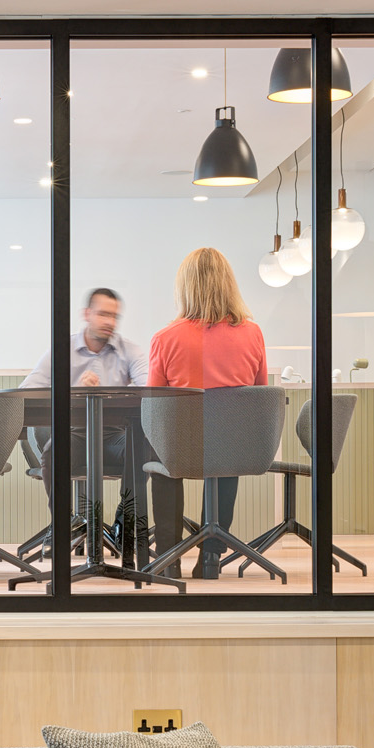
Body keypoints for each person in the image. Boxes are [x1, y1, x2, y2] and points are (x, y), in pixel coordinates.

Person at [144, 248, 267, 579]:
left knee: (163, 455)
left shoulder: (165, 338)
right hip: (234, 451)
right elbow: (259, 395)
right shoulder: (253, 334)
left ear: (184, 287)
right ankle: (211, 556)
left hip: (181, 450)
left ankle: (169, 555)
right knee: (226, 446)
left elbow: (154, 405)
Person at [26, 288, 145, 530]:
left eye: (114, 316)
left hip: (114, 437)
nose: (109, 322)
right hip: (74, 435)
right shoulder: (62, 349)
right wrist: (72, 391)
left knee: (141, 447)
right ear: (87, 313)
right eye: (103, 314)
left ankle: (125, 519)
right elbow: (28, 390)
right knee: (54, 451)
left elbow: (149, 390)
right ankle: (63, 524)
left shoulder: (129, 351)